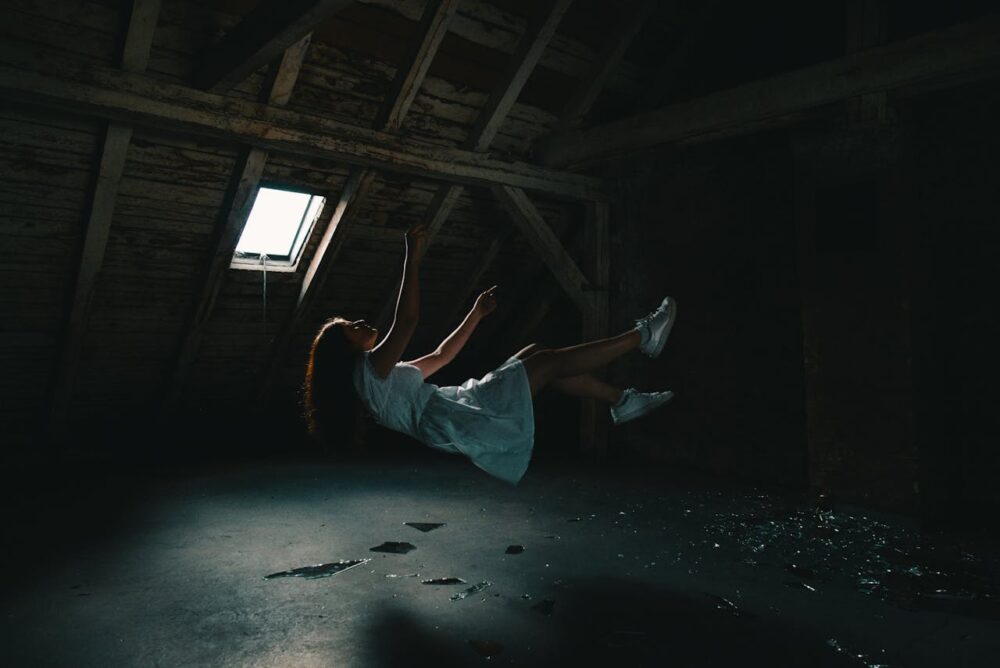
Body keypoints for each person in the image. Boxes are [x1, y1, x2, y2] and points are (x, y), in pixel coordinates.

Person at [303, 223, 677, 485]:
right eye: (351, 326)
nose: (361, 322)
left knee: (536, 354)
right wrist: (412, 260)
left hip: (456, 407)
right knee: (544, 364)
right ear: (345, 349)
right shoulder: (368, 372)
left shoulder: (379, 378)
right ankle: (642, 336)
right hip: (457, 418)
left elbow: (440, 356)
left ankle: (620, 401)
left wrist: (476, 314)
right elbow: (408, 321)